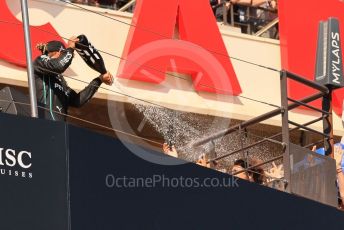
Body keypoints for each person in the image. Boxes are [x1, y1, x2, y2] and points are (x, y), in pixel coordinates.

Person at [33, 36, 113, 121]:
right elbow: (58, 66)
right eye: (64, 54)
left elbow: (77, 101)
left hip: (59, 129)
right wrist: (70, 48)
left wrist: (99, 80)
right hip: (43, 123)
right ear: (58, 53)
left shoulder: (60, 80)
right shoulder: (40, 61)